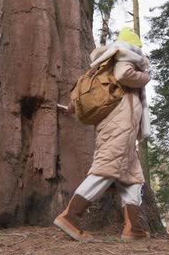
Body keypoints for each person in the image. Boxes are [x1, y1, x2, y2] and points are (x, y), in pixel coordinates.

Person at [55, 27, 151, 242]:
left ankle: (133, 227)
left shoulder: (107, 63)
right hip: (121, 122)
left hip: (117, 123)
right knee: (107, 167)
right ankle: (70, 216)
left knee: (133, 177)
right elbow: (124, 74)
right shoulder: (125, 58)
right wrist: (145, 77)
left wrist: (72, 108)